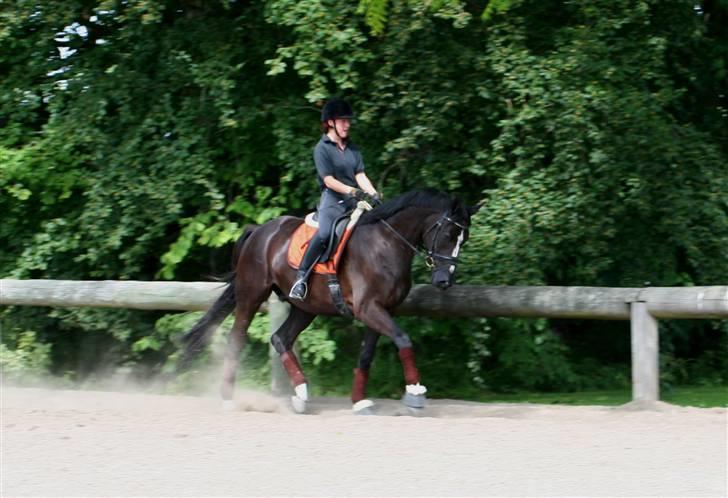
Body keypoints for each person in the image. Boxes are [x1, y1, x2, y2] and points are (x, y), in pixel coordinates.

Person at [289, 98, 380, 301]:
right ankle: (301, 278)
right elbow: (328, 181)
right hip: (333, 201)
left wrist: (373, 193)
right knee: (324, 234)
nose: (347, 125)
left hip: (353, 201)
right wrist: (353, 191)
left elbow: (360, 175)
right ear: (330, 122)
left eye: (348, 121)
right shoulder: (321, 149)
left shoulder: (353, 148)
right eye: (343, 121)